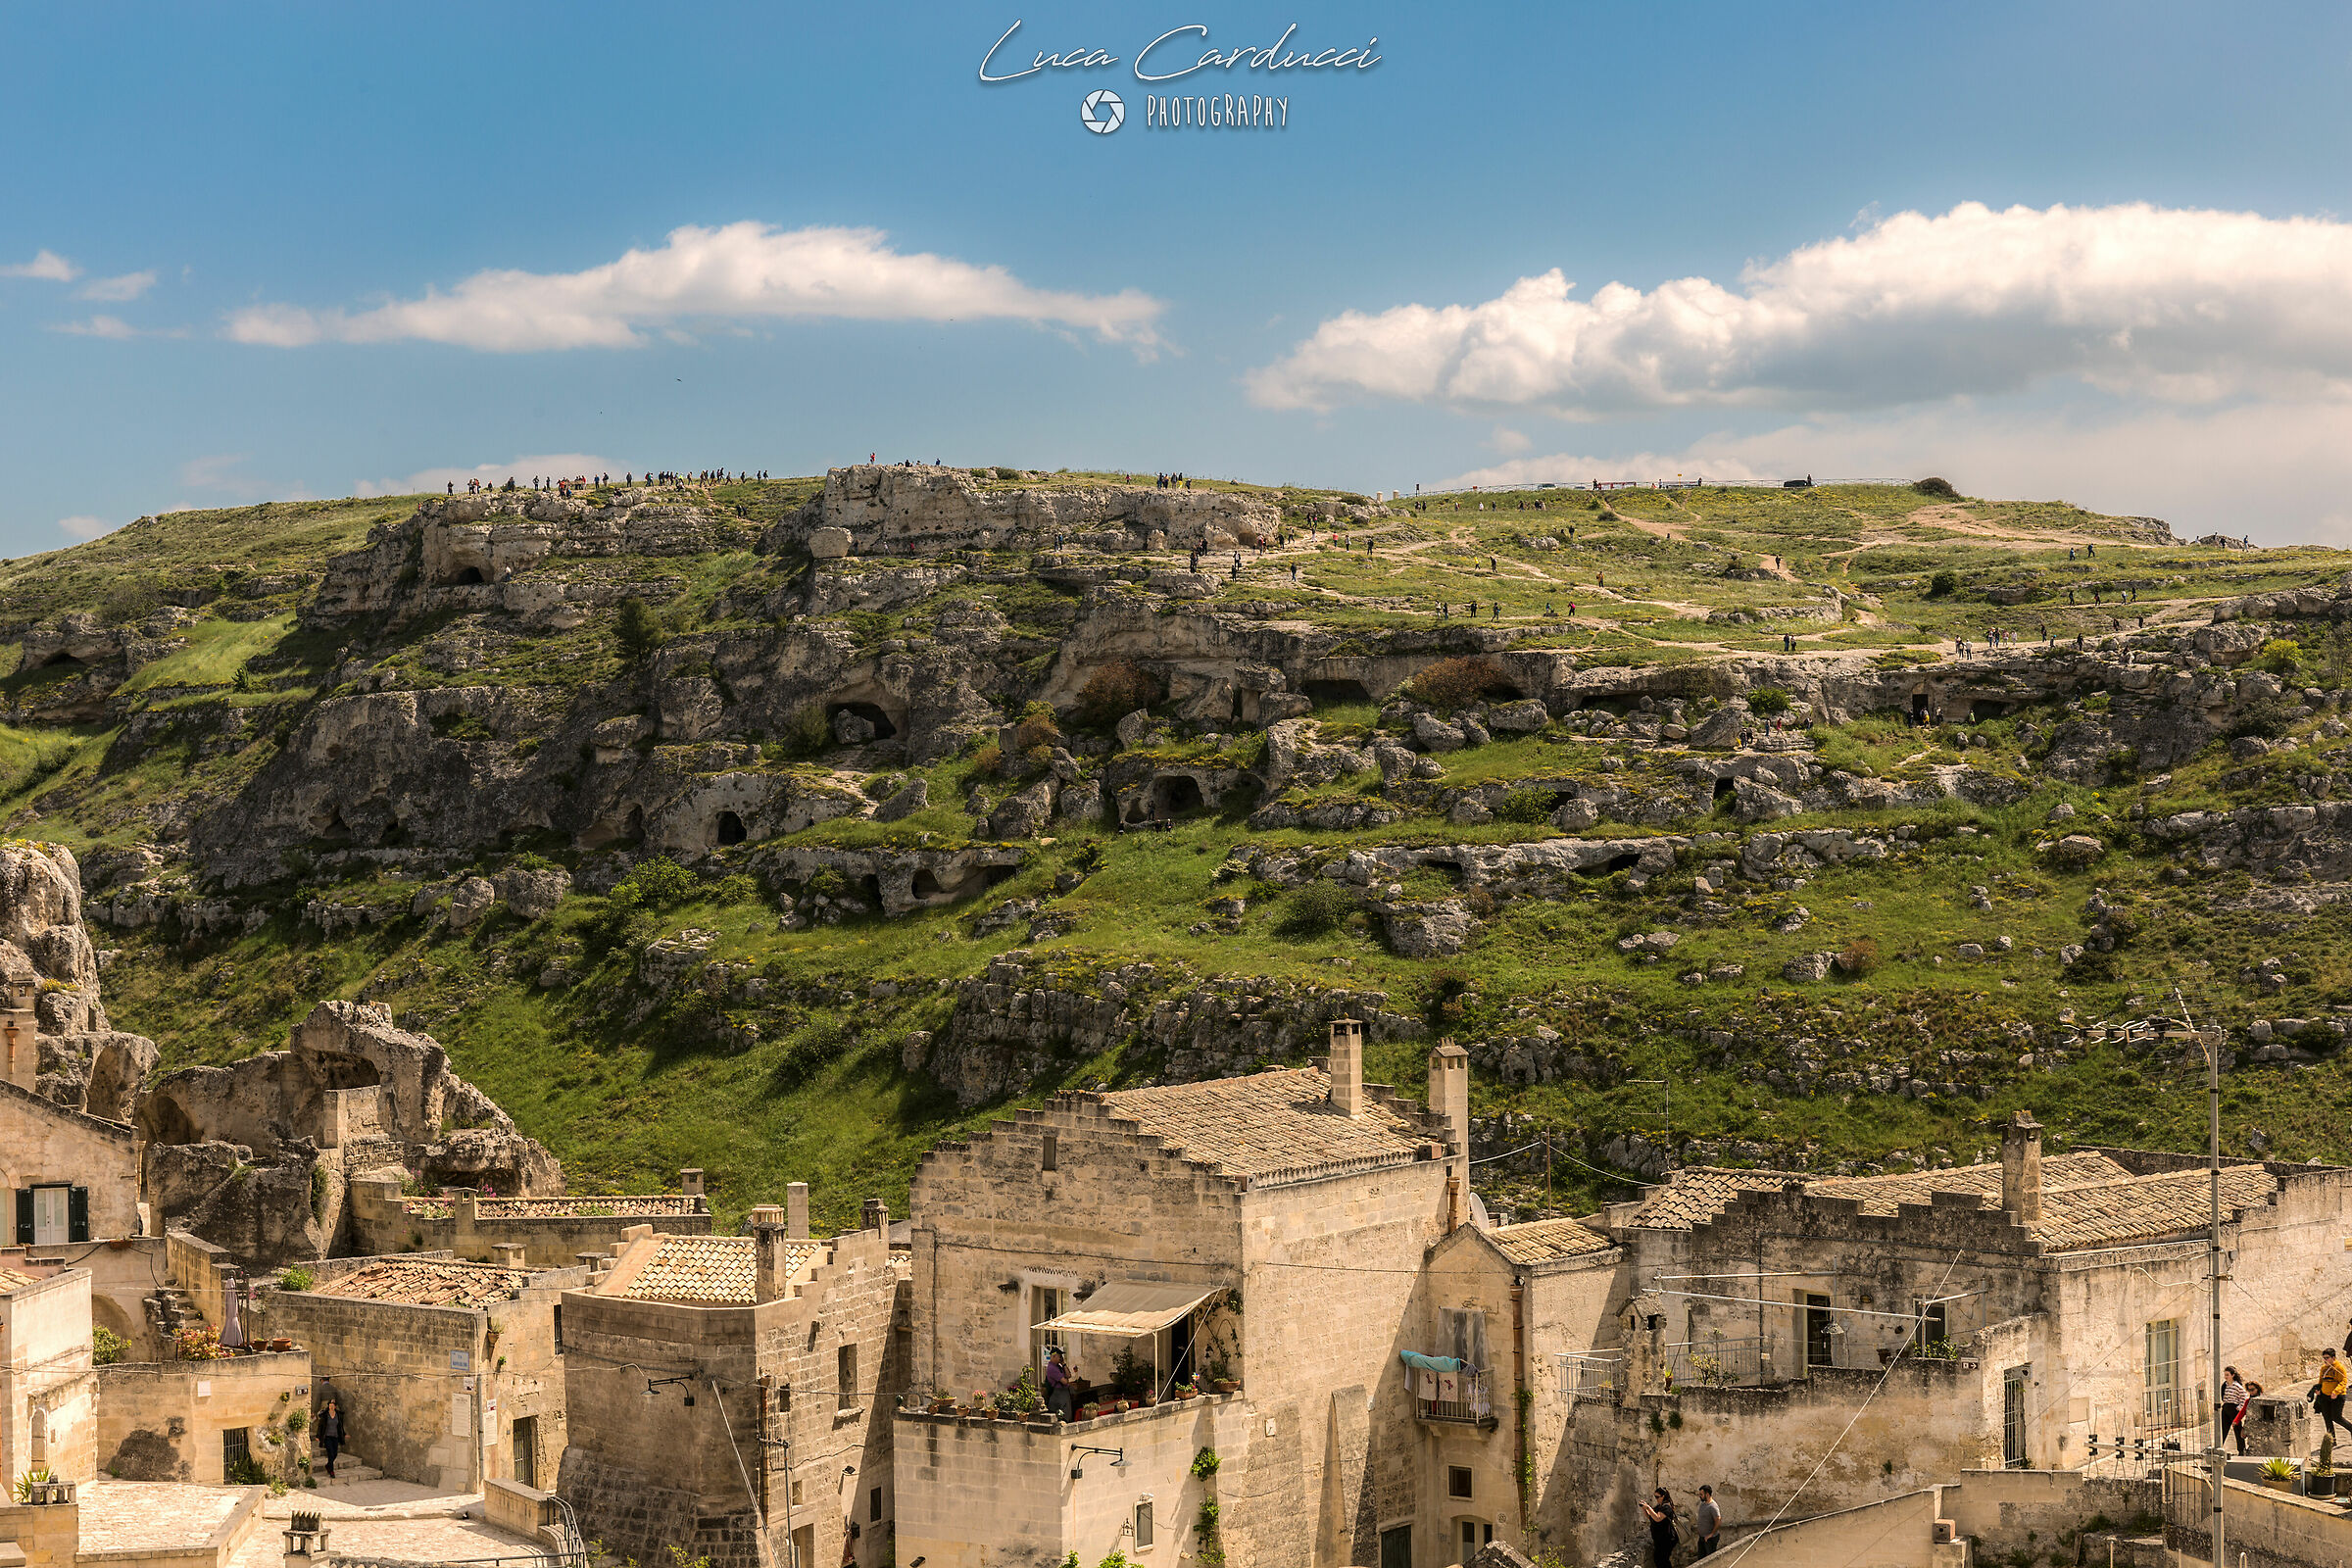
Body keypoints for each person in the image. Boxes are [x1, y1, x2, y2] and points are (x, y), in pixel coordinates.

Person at [2315, 1349, 2352, 1443]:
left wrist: (2336, 1391)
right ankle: (2332, 1440)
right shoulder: (2323, 1368)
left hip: (2337, 1396)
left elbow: (2343, 1382)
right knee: (2327, 1418)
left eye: (2327, 1358)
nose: (2325, 1360)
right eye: (2324, 1358)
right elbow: (2321, 1381)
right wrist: (2318, 1390)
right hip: (2325, 1396)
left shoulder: (2339, 1368)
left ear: (2333, 1358)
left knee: (2337, 1417)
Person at [1640, 1489, 1679, 1568]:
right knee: (1659, 1559)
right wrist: (1644, 1508)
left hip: (1667, 1539)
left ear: (1663, 1496)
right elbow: (1650, 1517)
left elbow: (1658, 1518)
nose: (1656, 1499)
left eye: (1657, 1497)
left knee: (1662, 1560)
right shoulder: (1659, 1507)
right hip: (1660, 1539)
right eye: (1655, 1497)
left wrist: (1648, 1508)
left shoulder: (1667, 1507)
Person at [2221, 1366, 2249, 1453]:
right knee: (2224, 1429)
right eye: (2225, 1375)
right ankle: (2219, 1447)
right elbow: (2223, 1397)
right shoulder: (2224, 1385)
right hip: (2225, 1408)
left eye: (2227, 1375)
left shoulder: (2237, 1386)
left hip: (2234, 1409)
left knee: (2237, 1429)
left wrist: (2238, 1408)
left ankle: (2241, 1449)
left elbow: (2244, 1398)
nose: (2226, 1377)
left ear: (2232, 1375)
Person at [1044, 1347, 1074, 1421]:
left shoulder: (1058, 1366)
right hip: (1059, 1393)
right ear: (1054, 1356)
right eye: (1059, 1356)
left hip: (1064, 1392)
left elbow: (1069, 1375)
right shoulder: (1052, 1368)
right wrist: (1067, 1380)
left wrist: (1063, 1364)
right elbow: (1065, 1381)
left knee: (1067, 1413)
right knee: (1063, 1415)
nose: (1061, 1358)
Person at [318, 1397, 344, 1479]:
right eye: (330, 1405)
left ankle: (328, 1465)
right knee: (330, 1453)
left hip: (335, 1437)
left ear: (335, 1407)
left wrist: (344, 1434)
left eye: (333, 1405)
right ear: (328, 1406)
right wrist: (318, 1436)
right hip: (328, 1437)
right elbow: (320, 1426)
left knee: (335, 1454)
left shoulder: (338, 1415)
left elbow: (340, 1426)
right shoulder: (325, 1415)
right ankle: (331, 1471)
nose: (331, 1407)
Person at [1693, 1485, 1721, 1557]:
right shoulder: (1703, 1504)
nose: (1700, 1496)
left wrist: (1711, 1534)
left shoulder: (1713, 1506)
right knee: (1701, 1559)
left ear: (1707, 1494)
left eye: (1701, 1494)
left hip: (1709, 1539)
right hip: (1702, 1537)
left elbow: (1718, 1521)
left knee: (1710, 1561)